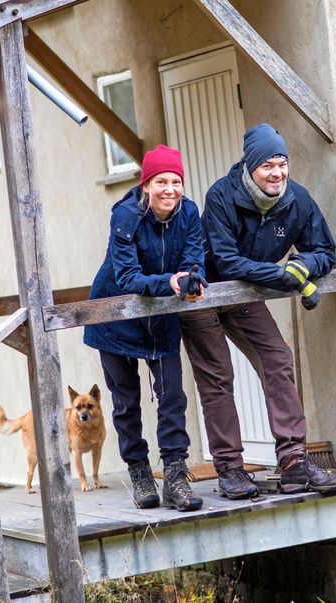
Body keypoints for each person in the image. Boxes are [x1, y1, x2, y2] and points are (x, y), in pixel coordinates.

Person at [180, 123, 336, 499]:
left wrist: (304, 265)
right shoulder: (222, 196)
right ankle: (230, 470)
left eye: (281, 163)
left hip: (245, 295)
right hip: (203, 294)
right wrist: (279, 274)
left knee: (277, 359)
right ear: (250, 166)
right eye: (268, 165)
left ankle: (293, 464)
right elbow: (226, 260)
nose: (277, 173)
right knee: (218, 378)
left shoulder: (297, 199)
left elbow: (324, 249)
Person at [83, 145, 206, 512]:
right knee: (126, 402)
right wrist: (170, 282)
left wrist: (192, 280)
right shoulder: (125, 216)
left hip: (161, 313)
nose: (170, 189)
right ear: (147, 184)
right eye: (161, 182)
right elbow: (126, 276)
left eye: (176, 182)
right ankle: (139, 472)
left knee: (172, 397)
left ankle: (176, 476)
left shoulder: (188, 213)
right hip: (116, 315)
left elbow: (193, 257)